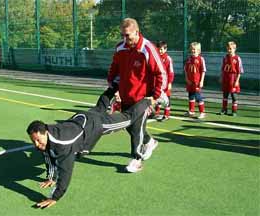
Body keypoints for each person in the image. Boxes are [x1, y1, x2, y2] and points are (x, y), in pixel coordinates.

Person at [26, 89, 155, 208]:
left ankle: (150, 99)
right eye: (34, 141)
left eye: (38, 140)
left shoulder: (62, 145)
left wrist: (55, 197)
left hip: (95, 125)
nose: (36, 144)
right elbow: (48, 154)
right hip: (81, 117)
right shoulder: (47, 134)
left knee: (128, 118)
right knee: (100, 106)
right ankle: (114, 86)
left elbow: (65, 172)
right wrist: (51, 177)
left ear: (46, 132)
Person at [107, 18, 167, 173]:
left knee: (138, 127)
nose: (125, 39)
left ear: (137, 32)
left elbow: (161, 73)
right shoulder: (120, 48)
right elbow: (115, 68)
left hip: (143, 97)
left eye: (128, 35)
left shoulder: (148, 48)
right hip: (126, 96)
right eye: (123, 35)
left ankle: (137, 159)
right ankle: (150, 141)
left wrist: (155, 96)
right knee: (129, 126)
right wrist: (113, 87)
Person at [219, 41, 244, 116]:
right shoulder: (225, 57)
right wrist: (221, 77)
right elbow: (223, 69)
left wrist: (237, 81)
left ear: (234, 49)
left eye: (231, 49)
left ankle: (234, 111)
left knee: (234, 96)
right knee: (225, 95)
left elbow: (239, 71)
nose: (229, 50)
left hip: (233, 79)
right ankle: (224, 109)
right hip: (226, 79)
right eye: (228, 48)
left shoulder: (237, 58)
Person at [184, 42, 206, 119]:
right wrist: (187, 78)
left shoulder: (200, 59)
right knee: (190, 96)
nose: (193, 51)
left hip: (197, 82)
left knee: (198, 96)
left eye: (195, 49)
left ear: (199, 51)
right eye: (192, 49)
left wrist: (201, 81)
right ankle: (191, 111)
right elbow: (186, 70)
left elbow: (203, 71)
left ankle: (202, 112)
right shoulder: (189, 59)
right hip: (190, 82)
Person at [154, 41, 175, 121]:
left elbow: (171, 72)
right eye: (158, 49)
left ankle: (166, 115)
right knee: (157, 96)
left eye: (162, 49)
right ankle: (156, 112)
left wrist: (169, 82)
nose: (160, 51)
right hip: (157, 82)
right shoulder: (155, 57)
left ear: (165, 49)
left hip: (165, 83)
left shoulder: (168, 59)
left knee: (167, 98)